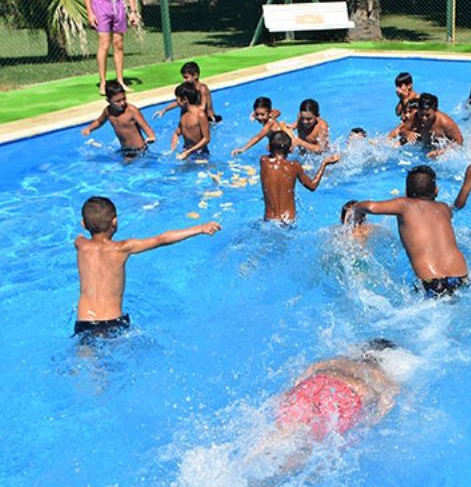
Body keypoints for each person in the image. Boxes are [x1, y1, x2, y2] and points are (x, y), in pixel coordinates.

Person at [245, 339, 403, 476]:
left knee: (283, 429)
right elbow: (382, 409)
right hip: (342, 398)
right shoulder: (384, 378)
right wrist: (369, 421)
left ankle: (245, 460)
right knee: (309, 448)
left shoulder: (337, 360)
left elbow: (301, 377)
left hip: (312, 386)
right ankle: (263, 481)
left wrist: (286, 395)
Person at [74, 196, 220, 340]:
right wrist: (199, 228)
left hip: (85, 322)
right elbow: (161, 239)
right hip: (113, 321)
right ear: (115, 222)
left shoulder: (80, 244)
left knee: (86, 358)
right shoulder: (122, 249)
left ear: (83, 224)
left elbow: (82, 237)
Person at [353, 166, 469, 298]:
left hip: (432, 281)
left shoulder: (404, 204)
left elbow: (371, 207)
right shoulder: (444, 208)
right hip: (460, 276)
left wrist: (355, 209)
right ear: (436, 190)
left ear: (407, 191)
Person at [259, 131, 339, 223]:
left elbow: (272, 152)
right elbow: (312, 186)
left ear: (269, 147)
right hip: (288, 219)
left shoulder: (264, 161)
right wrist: (324, 164)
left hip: (270, 219)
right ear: (291, 149)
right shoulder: (294, 166)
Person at [81, 80, 155, 158]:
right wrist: (89, 129)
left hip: (139, 150)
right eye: (118, 101)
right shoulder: (108, 111)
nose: (122, 103)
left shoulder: (131, 110)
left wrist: (151, 136)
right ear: (108, 101)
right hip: (125, 150)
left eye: (124, 99)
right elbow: (99, 121)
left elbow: (145, 126)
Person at [154, 62, 220, 123]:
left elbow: (202, 107)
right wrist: (164, 110)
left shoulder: (202, 88)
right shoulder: (188, 88)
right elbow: (179, 102)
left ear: (195, 76)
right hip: (199, 119)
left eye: (186, 77)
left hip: (210, 120)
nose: (184, 80)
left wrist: (188, 108)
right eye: (183, 77)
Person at [407, 94, 463, 158]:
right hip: (425, 147)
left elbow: (459, 142)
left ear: (436, 111)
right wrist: (407, 133)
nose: (423, 118)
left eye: (427, 115)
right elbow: (402, 129)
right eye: (421, 114)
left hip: (442, 152)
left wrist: (440, 152)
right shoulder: (416, 116)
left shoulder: (446, 123)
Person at [170, 83, 210, 161]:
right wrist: (172, 150)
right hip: (186, 151)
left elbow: (206, 139)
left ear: (184, 99)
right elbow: (177, 133)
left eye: (177, 99)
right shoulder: (183, 112)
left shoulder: (200, 115)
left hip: (200, 153)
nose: (176, 102)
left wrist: (189, 152)